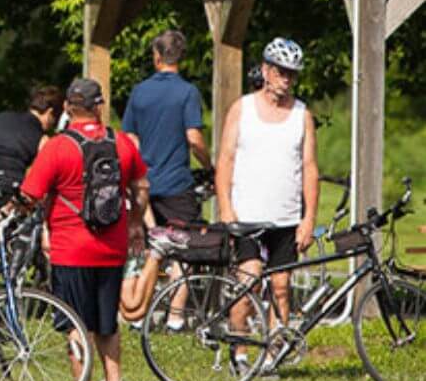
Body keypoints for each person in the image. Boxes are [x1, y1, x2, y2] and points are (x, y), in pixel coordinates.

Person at [20, 77, 149, 381]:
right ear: (98, 107)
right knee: (107, 320)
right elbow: (142, 188)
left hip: (70, 248)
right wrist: (135, 224)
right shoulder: (121, 143)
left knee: (75, 321)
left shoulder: (58, 147)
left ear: (67, 108)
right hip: (112, 246)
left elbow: (30, 194)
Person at [216, 36, 318, 333]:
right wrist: (225, 207)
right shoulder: (242, 109)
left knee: (281, 287)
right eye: (280, 72)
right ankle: (240, 347)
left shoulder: (302, 115)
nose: (286, 80)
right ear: (265, 71)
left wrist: (308, 218)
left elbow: (310, 168)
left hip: (286, 217)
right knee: (248, 282)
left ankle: (275, 351)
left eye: (292, 74)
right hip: (247, 215)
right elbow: (225, 160)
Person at [121, 29, 211, 226]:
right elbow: (194, 139)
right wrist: (208, 165)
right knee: (187, 248)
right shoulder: (188, 92)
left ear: (157, 57)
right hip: (176, 187)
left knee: (144, 248)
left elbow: (129, 139)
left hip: (144, 187)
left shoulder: (139, 91)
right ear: (181, 58)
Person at [0, 86, 63, 185]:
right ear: (50, 112)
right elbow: (36, 179)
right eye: (55, 119)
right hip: (8, 189)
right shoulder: (42, 140)